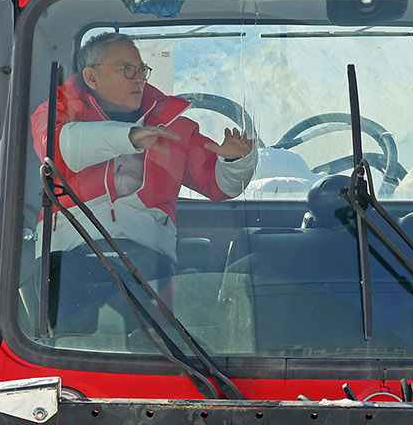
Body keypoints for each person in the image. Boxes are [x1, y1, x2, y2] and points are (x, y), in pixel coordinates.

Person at [30, 31, 257, 329]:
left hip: (149, 255)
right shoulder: (56, 112)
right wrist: (130, 137)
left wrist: (234, 160)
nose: (139, 78)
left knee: (156, 345)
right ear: (91, 76)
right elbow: (58, 149)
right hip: (69, 251)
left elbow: (219, 185)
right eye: (127, 69)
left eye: (141, 69)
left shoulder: (174, 124)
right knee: (64, 342)